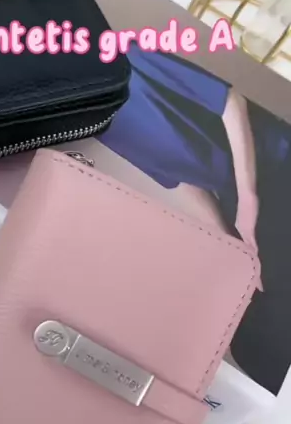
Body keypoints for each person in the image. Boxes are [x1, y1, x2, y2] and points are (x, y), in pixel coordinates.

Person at [102, 43, 291, 393]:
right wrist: (232, 247)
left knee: (279, 283)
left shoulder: (127, 55)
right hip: (236, 195)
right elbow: (183, 180)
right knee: (251, 340)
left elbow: (230, 102)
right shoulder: (102, 124)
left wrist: (248, 201)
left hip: (273, 161)